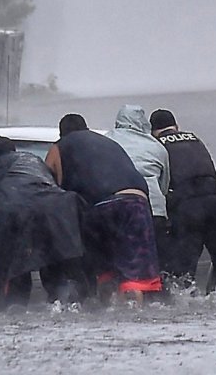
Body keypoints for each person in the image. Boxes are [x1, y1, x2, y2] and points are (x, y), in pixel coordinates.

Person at [45, 114, 163, 306]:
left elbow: (49, 185)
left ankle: (107, 314)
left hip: (100, 207)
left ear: (61, 133)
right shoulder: (108, 142)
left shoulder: (60, 146)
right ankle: (135, 317)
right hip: (137, 202)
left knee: (105, 271)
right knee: (133, 275)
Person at [0, 137, 86, 312]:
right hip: (56, 209)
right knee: (53, 261)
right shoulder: (34, 160)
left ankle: (9, 306)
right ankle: (64, 302)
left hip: (15, 211)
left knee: (16, 266)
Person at [149, 108, 216, 293]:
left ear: (152, 131)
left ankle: (184, 298)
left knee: (183, 265)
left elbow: (159, 185)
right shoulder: (194, 138)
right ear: (176, 126)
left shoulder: (156, 146)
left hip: (188, 208)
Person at [106, 104, 172, 272]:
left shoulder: (106, 141)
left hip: (119, 209)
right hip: (154, 211)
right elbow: (164, 186)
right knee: (158, 266)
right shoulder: (157, 147)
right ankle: (163, 294)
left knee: (123, 265)